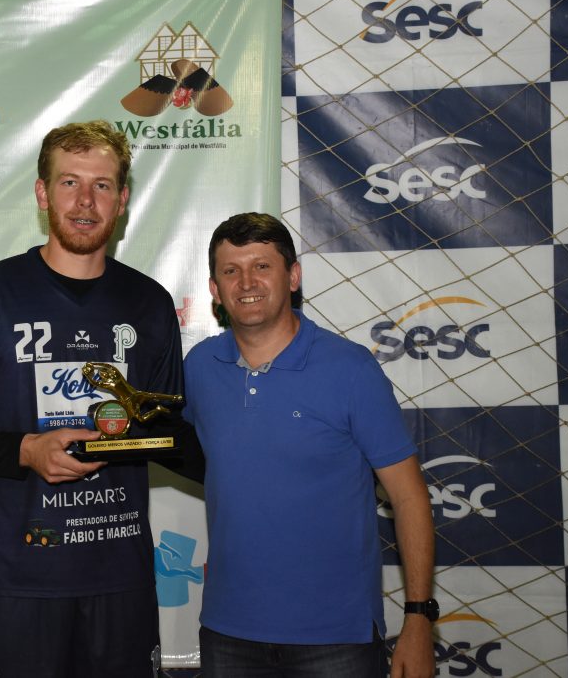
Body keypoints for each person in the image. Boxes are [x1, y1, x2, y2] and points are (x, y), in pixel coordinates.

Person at [0, 120, 183, 678]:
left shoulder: (150, 303)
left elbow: (173, 435)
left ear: (122, 199)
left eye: (102, 185)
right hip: (14, 579)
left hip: (118, 578)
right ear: (42, 193)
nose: (85, 201)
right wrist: (26, 451)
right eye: (69, 182)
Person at [182, 212, 436, 678]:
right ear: (215, 290)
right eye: (231, 271)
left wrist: (419, 618)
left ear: (293, 276)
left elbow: (409, 497)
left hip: (336, 637)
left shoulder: (351, 370)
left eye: (262, 266)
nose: (246, 282)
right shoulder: (199, 367)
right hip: (228, 631)